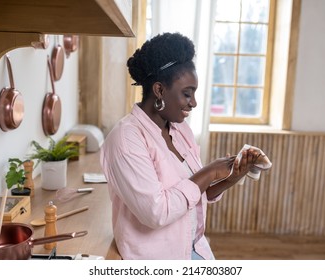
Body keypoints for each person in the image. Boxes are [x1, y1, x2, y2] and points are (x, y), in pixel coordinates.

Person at [100, 32, 261, 260]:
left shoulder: (179, 128)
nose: (193, 103)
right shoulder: (126, 139)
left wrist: (231, 177)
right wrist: (211, 171)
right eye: (187, 94)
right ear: (159, 90)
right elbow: (156, 213)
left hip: (194, 249)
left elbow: (194, 193)